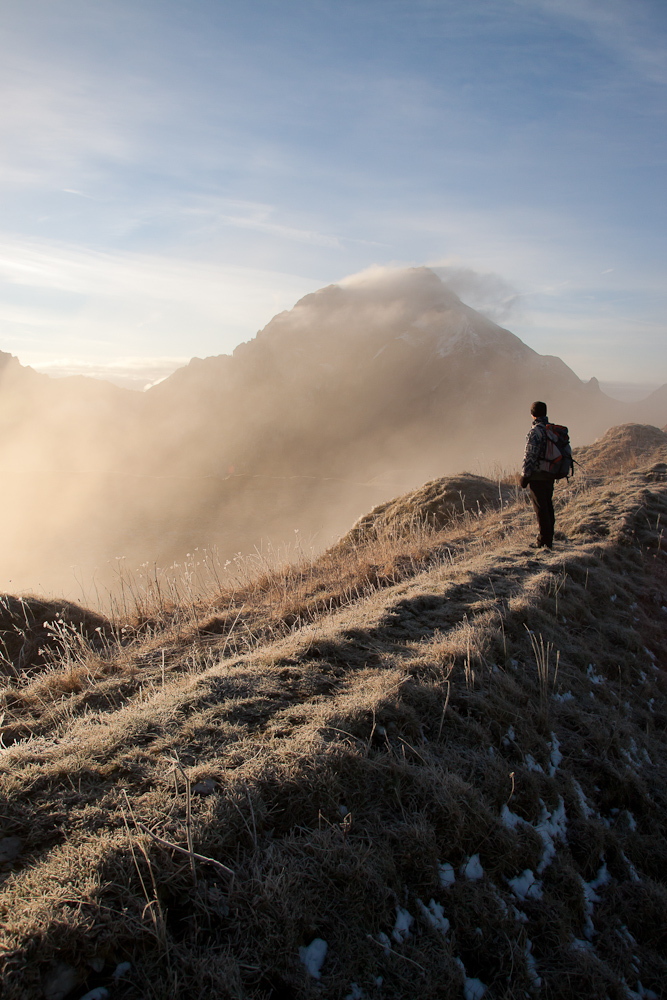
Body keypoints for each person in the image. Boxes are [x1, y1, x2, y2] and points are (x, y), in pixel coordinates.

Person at [520, 401, 555, 549]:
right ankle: (549, 539)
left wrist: (524, 476)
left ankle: (544, 542)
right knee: (547, 506)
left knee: (541, 510)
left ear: (532, 415)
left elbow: (530, 455)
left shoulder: (535, 432)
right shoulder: (550, 430)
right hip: (549, 474)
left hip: (538, 476)